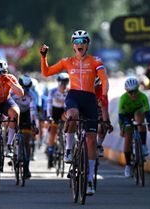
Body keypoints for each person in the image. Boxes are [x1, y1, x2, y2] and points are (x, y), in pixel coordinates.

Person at [40, 30, 109, 195]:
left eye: (83, 41)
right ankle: (69, 150)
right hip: (74, 96)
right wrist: (43, 57)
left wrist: (104, 95)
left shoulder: (95, 61)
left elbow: (104, 80)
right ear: (73, 45)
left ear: (87, 44)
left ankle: (90, 179)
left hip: (90, 99)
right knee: (72, 115)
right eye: (77, 41)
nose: (80, 44)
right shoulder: (67, 61)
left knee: (91, 140)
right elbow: (46, 72)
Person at [118, 76, 150, 178]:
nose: (133, 94)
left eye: (135, 91)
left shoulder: (143, 96)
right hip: (126, 116)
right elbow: (120, 115)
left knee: (140, 119)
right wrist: (122, 128)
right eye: (130, 92)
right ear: (126, 91)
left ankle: (143, 145)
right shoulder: (123, 98)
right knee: (128, 137)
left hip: (138, 113)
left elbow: (147, 112)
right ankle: (128, 165)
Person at [11, 74, 38, 178]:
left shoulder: (31, 95)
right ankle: (9, 147)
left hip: (26, 114)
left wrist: (33, 123)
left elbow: (32, 110)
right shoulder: (12, 93)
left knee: (26, 141)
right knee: (9, 125)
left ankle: (26, 167)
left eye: (27, 88)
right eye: (23, 88)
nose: (25, 90)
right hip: (15, 112)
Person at [46, 72, 69, 168]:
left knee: (68, 124)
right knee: (53, 133)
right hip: (54, 111)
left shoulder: (69, 91)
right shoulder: (53, 91)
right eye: (61, 83)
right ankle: (50, 153)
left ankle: (67, 143)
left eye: (65, 82)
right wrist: (49, 116)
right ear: (59, 82)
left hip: (63, 111)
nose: (63, 85)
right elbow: (49, 105)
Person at [94, 76, 113, 157]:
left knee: (103, 126)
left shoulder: (102, 90)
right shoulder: (84, 87)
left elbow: (104, 108)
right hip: (85, 106)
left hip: (98, 107)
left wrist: (106, 122)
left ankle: (98, 145)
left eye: (96, 87)